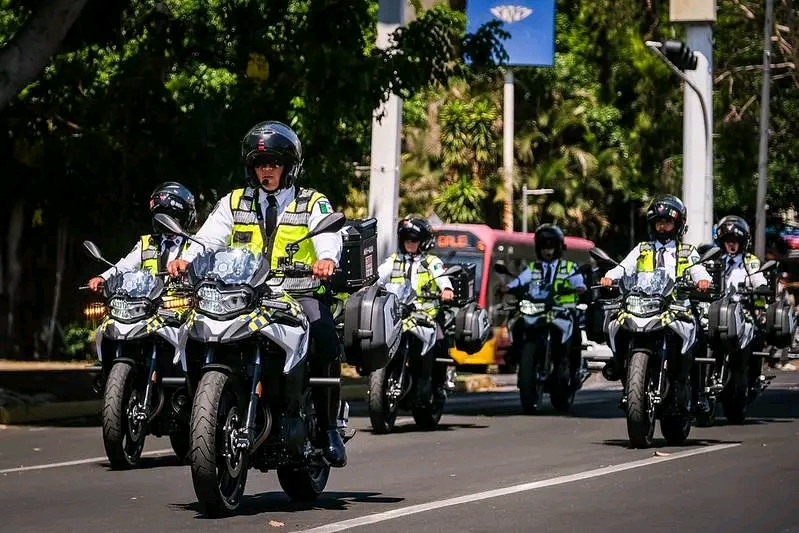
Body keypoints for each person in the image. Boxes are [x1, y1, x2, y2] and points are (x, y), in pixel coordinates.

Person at [165, 121, 347, 467]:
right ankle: (196, 411)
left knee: (323, 335)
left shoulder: (312, 203)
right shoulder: (234, 202)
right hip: (243, 293)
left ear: (289, 166)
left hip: (296, 291)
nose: (266, 169)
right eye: (260, 163)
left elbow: (329, 236)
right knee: (192, 331)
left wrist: (325, 259)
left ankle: (327, 427)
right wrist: (184, 259)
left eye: (273, 162)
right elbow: (207, 238)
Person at [599, 194, 711, 412]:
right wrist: (610, 277)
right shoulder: (642, 249)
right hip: (641, 304)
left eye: (667, 222)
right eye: (659, 222)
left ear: (677, 225)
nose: (663, 227)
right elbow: (624, 267)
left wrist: (703, 281)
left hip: (677, 307)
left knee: (702, 333)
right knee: (614, 322)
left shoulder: (687, 251)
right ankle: (620, 366)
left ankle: (700, 393)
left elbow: (699, 269)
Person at [376, 215, 455, 403]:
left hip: (426, 315)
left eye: (414, 240)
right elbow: (378, 276)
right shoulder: (394, 260)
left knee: (441, 340)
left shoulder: (431, 261)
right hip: (399, 314)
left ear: (423, 242)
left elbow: (442, 275)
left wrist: (447, 289)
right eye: (407, 240)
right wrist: (366, 286)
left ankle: (439, 383)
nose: (410, 244)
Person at [499, 223, 587, 387]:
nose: (547, 251)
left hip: (563, 311)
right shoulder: (533, 268)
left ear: (559, 247)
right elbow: (520, 280)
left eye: (551, 246)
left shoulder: (569, 267)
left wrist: (577, 288)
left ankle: (572, 369)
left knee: (574, 333)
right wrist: (508, 287)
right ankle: (516, 354)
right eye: (544, 246)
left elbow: (580, 283)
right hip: (538, 310)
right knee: (517, 323)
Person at [87, 182, 197, 291]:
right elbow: (125, 265)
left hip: (184, 306)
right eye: (160, 215)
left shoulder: (195, 245)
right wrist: (103, 277)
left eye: (170, 214)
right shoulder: (147, 243)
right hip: (146, 305)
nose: (164, 221)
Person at [714, 215, 768, 293]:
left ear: (741, 242)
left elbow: (757, 277)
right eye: (727, 240)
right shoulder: (717, 260)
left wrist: (761, 286)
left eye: (734, 240)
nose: (731, 244)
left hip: (741, 302)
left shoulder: (749, 260)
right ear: (722, 243)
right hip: (718, 303)